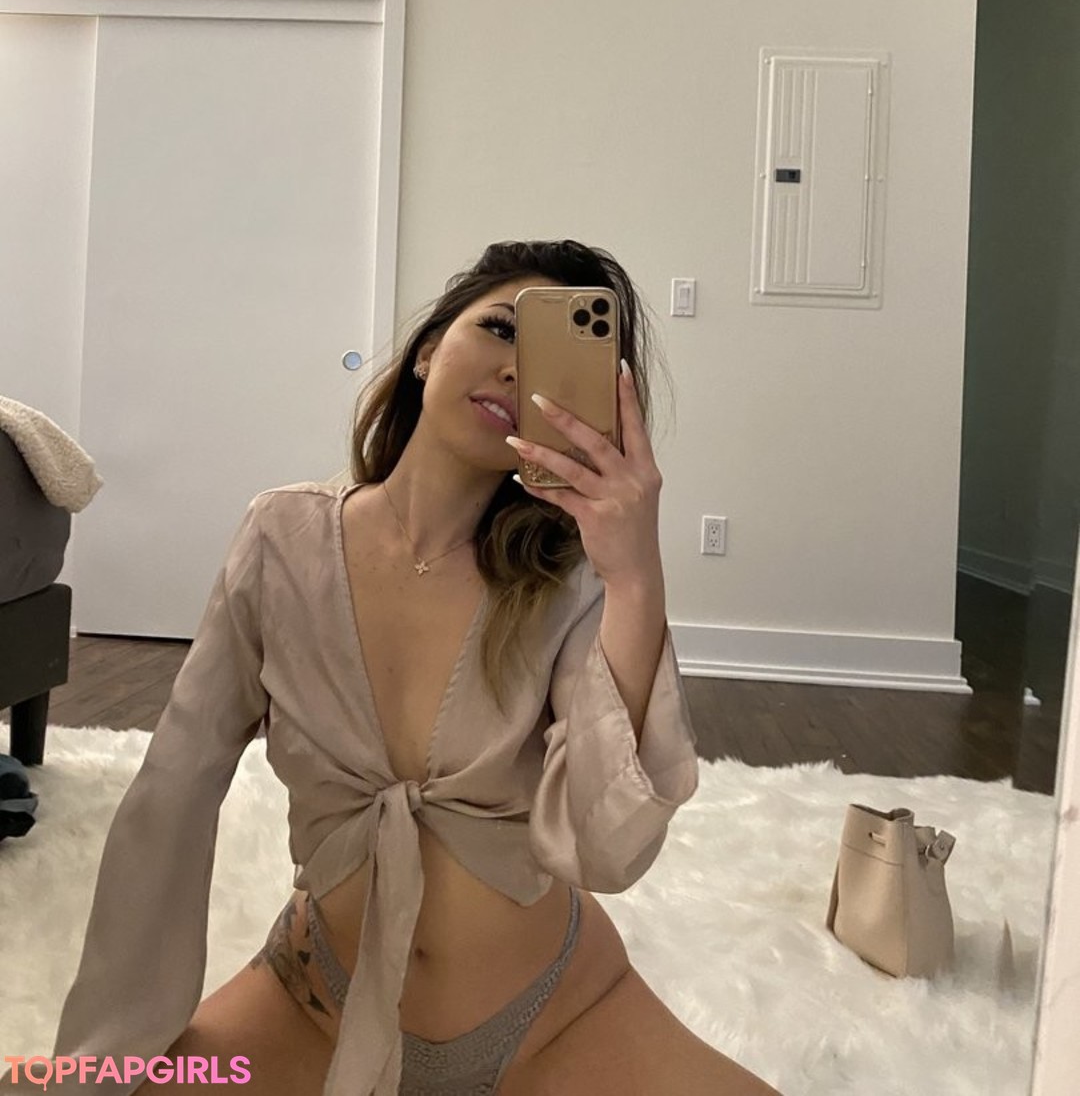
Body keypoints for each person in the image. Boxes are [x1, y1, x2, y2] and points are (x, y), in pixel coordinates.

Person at [4, 239, 781, 1096]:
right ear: (428, 349)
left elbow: (608, 846)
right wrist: (104, 1053)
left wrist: (634, 576)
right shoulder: (283, 540)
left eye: (551, 357)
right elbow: (172, 796)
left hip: (558, 1017)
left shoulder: (573, 578)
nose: (515, 369)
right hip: (316, 1004)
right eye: (500, 328)